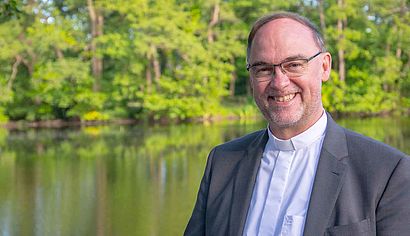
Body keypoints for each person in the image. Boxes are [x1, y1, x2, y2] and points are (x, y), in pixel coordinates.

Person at [184, 12, 410, 236]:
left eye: (293, 65)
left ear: (324, 67)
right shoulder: (223, 162)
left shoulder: (387, 171)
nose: (279, 83)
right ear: (251, 77)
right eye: (263, 69)